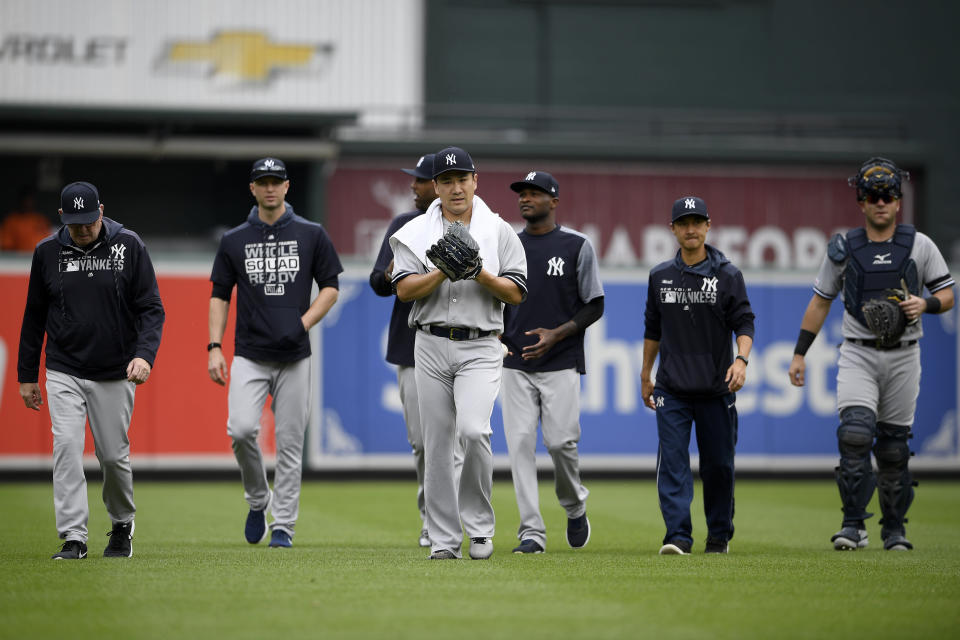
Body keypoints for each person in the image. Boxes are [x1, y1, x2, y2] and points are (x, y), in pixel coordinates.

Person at [788, 157, 954, 552]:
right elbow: (820, 302)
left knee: (894, 447)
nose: (881, 202)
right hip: (858, 352)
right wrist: (799, 354)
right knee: (856, 435)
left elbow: (947, 294)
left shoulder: (920, 245)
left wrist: (924, 305)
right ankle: (853, 526)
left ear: (898, 201)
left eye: (888, 195)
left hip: (904, 353)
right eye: (873, 196)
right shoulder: (845, 248)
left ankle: (894, 529)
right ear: (861, 202)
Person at [389, 146, 527, 560]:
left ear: (475, 181)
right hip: (429, 342)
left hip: (482, 343)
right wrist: (440, 271)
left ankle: (480, 528)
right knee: (437, 445)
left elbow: (517, 292)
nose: (455, 188)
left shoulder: (498, 230)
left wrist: (477, 272)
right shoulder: (415, 231)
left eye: (462, 179)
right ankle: (445, 539)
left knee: (473, 431)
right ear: (436, 186)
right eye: (446, 181)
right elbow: (403, 289)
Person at [17, 181, 165, 560]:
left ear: (101, 210)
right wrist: (27, 374)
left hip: (115, 369)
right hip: (64, 367)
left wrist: (144, 355)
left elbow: (151, 308)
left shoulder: (129, 245)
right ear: (62, 218)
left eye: (89, 221)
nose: (83, 230)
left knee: (113, 456)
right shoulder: (47, 252)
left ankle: (121, 524)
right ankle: (74, 537)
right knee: (66, 447)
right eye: (75, 224)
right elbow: (34, 316)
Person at [208, 157, 342, 549]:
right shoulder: (234, 239)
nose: (270, 188)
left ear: (287, 187)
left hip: (295, 355)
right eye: (262, 182)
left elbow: (331, 287)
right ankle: (257, 499)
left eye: (276, 181)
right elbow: (219, 295)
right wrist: (214, 347)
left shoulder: (311, 233)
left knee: (289, 443)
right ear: (252, 188)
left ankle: (283, 525)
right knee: (242, 430)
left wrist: (302, 323)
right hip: (249, 353)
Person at [641, 196, 755, 555]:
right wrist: (646, 374)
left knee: (718, 466)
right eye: (683, 223)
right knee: (673, 464)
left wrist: (741, 361)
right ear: (672, 229)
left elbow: (745, 323)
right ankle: (678, 537)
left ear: (708, 226)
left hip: (716, 389)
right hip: (672, 388)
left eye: (697, 222)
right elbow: (652, 329)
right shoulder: (660, 276)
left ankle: (718, 536)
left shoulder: (728, 275)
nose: (690, 228)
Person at [500, 170, 604, 554]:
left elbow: (595, 304)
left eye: (535, 193)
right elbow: (495, 296)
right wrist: (497, 334)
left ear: (554, 201)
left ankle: (575, 505)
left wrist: (558, 334)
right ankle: (532, 532)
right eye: (522, 193)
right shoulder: (507, 245)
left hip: (560, 360)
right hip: (514, 362)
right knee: (520, 446)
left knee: (561, 443)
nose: (526, 198)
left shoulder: (577, 245)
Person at [368, 153, 438, 547]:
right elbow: (378, 283)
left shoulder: (471, 225)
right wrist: (390, 272)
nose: (413, 186)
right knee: (423, 442)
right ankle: (432, 517)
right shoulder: (402, 225)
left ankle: (457, 519)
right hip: (410, 346)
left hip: (458, 344)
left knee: (462, 437)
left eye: (420, 180)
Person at [1, 186, 54, 252]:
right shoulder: (11, 221)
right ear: (20, 200)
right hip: (18, 260)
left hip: (39, 258)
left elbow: (50, 243)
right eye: (25, 199)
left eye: (30, 199)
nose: (28, 202)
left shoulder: (41, 219)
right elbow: (6, 247)